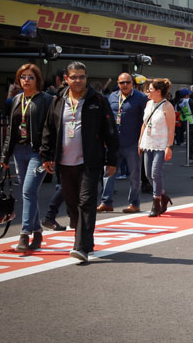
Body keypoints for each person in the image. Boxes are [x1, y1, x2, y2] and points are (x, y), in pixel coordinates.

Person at [40, 62, 118, 262]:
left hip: (89, 162)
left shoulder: (98, 100)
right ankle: (86, 240)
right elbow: (49, 129)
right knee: (72, 204)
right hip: (65, 163)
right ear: (66, 78)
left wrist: (111, 160)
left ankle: (80, 246)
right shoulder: (58, 100)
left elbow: (110, 131)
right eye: (74, 77)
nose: (78, 80)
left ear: (87, 78)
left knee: (86, 203)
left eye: (82, 77)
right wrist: (46, 155)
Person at [0, 64, 54, 251]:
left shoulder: (47, 99)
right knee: (27, 193)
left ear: (37, 79)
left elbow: (52, 130)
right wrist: (4, 156)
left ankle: (24, 234)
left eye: (30, 77)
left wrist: (49, 154)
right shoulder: (16, 100)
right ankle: (37, 233)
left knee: (29, 191)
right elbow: (10, 132)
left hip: (38, 154)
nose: (26, 80)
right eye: (23, 77)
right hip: (19, 152)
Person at [98, 72, 148, 213]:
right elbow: (106, 118)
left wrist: (143, 140)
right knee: (108, 172)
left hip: (133, 143)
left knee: (134, 174)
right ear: (118, 84)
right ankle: (106, 202)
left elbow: (147, 120)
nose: (124, 85)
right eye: (121, 83)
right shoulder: (112, 97)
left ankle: (134, 203)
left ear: (133, 83)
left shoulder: (141, 98)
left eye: (127, 82)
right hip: (113, 143)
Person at [137, 78, 176, 217]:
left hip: (161, 144)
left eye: (150, 89)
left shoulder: (167, 106)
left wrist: (169, 146)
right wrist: (140, 141)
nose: (148, 91)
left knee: (155, 173)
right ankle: (163, 195)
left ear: (158, 91)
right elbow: (144, 124)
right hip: (148, 142)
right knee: (148, 174)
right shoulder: (148, 104)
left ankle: (156, 202)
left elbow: (171, 129)